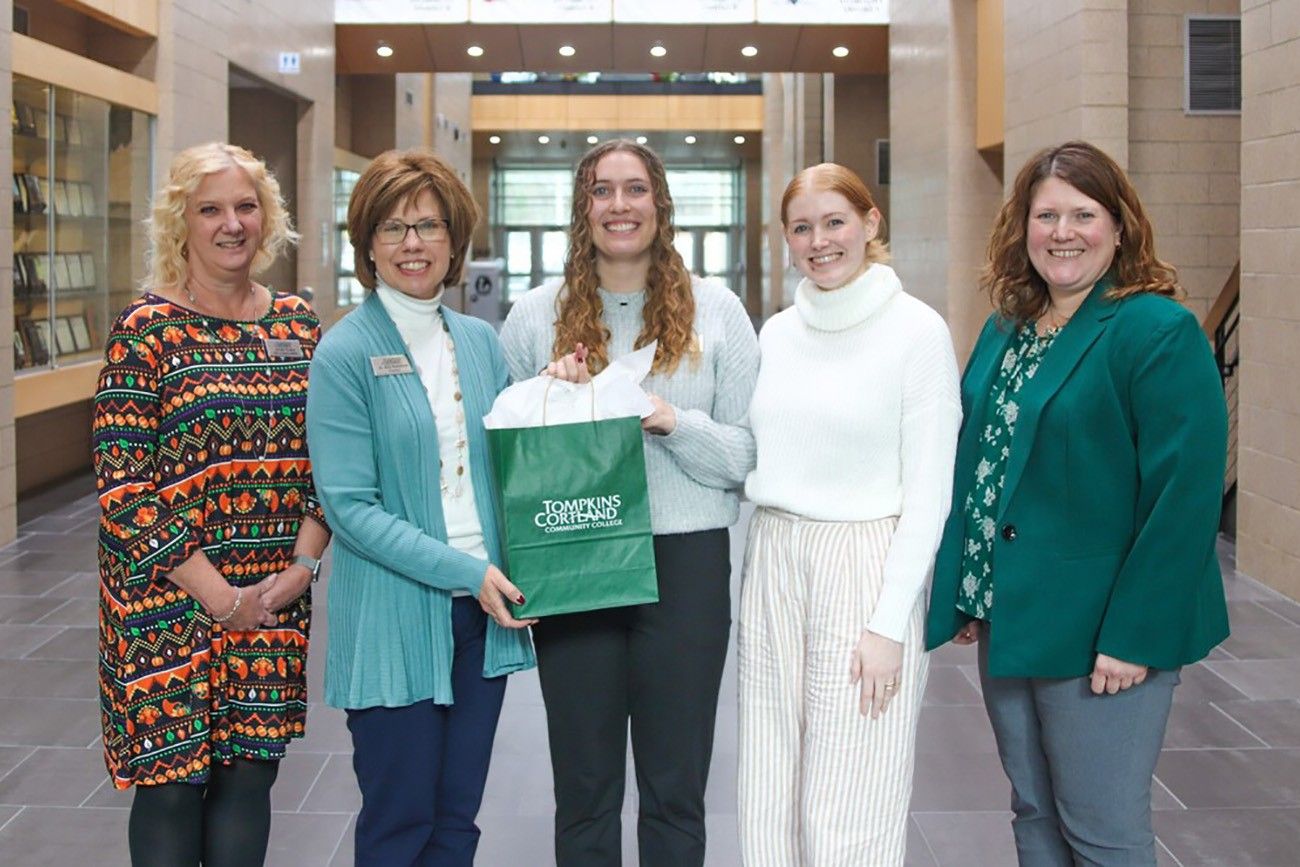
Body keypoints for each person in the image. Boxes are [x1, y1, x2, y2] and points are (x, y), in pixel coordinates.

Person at [926, 140, 1230, 865]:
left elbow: (1184, 497)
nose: (1063, 232)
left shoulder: (1155, 331)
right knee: (1033, 811)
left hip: (1103, 629)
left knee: (1102, 829)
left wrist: (1136, 634)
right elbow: (983, 459)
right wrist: (970, 587)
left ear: (1120, 227)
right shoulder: (1007, 329)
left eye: (1083, 214)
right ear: (1022, 228)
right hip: (1013, 614)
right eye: (1046, 214)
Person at [499, 139, 759, 866]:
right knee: (584, 786)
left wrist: (664, 416)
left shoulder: (718, 312)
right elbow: (513, 463)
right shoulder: (532, 317)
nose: (620, 205)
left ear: (660, 203)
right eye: (602, 191)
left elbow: (743, 457)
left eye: (635, 189)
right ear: (582, 208)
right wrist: (548, 402)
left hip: (685, 565)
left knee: (676, 785)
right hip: (575, 557)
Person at [93, 142, 330, 867]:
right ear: (181, 223)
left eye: (246, 206)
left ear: (268, 217)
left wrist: (301, 568)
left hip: (272, 595)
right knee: (170, 787)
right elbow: (125, 490)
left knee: (249, 779)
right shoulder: (146, 331)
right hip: (167, 602)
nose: (232, 223)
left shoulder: (298, 323)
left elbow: (333, 460)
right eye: (212, 209)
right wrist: (221, 598)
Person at [305, 148, 536, 867]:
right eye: (395, 227)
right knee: (398, 820)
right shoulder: (344, 353)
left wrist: (557, 393)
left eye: (430, 226)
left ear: (454, 241)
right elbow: (349, 507)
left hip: (485, 614)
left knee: (457, 818)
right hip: (394, 617)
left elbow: (511, 463)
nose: (414, 244)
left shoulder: (478, 341)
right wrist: (466, 571)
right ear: (367, 243)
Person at [738, 163, 962, 866]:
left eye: (835, 221)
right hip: (774, 553)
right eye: (802, 227)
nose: (819, 240)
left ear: (871, 224)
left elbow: (930, 491)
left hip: (864, 560)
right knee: (768, 783)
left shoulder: (917, 332)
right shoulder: (774, 333)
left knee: (851, 793)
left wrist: (890, 620)